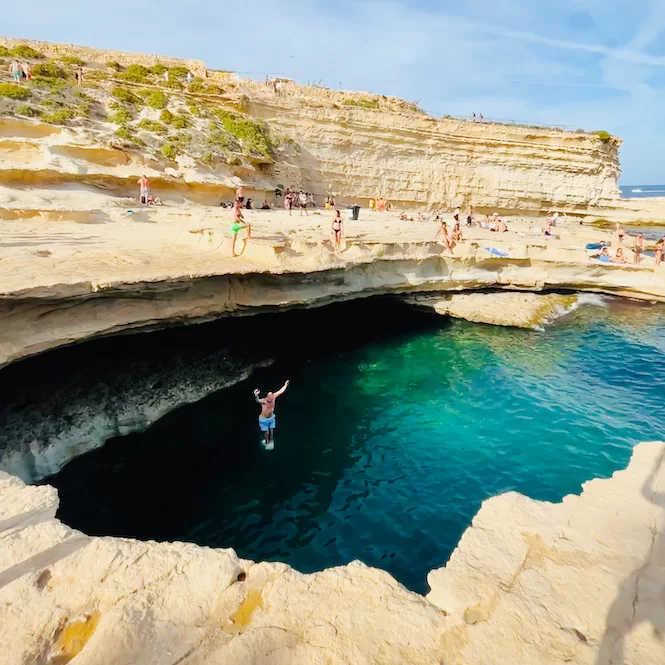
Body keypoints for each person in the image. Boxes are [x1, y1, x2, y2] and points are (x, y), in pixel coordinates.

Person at [253, 380, 289, 450]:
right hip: (263, 419)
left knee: (271, 430)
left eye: (271, 396)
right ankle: (266, 442)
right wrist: (256, 395)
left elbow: (280, 391)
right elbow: (257, 400)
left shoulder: (274, 397)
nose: (270, 398)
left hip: (271, 417)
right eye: (268, 397)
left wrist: (285, 385)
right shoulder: (264, 401)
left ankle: (271, 441)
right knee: (266, 432)